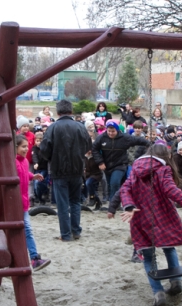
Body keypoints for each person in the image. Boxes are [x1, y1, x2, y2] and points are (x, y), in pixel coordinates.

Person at [120, 143, 182, 306]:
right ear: (165, 157)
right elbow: (170, 189)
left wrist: (130, 206)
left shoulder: (135, 170)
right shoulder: (162, 169)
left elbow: (125, 190)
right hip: (162, 215)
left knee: (147, 255)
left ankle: (158, 291)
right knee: (169, 247)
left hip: (140, 216)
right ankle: (175, 282)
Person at [39, 100, 91, 241]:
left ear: (57, 112)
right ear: (71, 111)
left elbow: (43, 149)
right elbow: (88, 144)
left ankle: (66, 234)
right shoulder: (80, 127)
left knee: (62, 204)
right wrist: (79, 156)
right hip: (77, 169)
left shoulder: (53, 127)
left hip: (58, 170)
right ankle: (76, 231)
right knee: (75, 202)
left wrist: (52, 158)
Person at [92, 120, 151, 202]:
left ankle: (114, 202)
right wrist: (100, 162)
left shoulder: (124, 138)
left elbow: (137, 140)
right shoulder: (101, 138)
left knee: (115, 183)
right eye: (109, 131)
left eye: (113, 131)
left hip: (120, 164)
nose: (111, 133)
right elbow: (94, 149)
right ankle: (114, 201)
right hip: (106, 165)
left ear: (117, 130)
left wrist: (148, 144)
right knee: (110, 184)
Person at [15, 135, 49, 271]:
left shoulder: (23, 161)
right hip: (15, 202)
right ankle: (35, 258)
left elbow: (24, 173)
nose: (26, 149)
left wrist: (32, 176)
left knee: (24, 230)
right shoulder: (11, 162)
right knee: (27, 230)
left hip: (23, 202)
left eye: (26, 146)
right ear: (15, 147)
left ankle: (32, 258)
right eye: (23, 146)